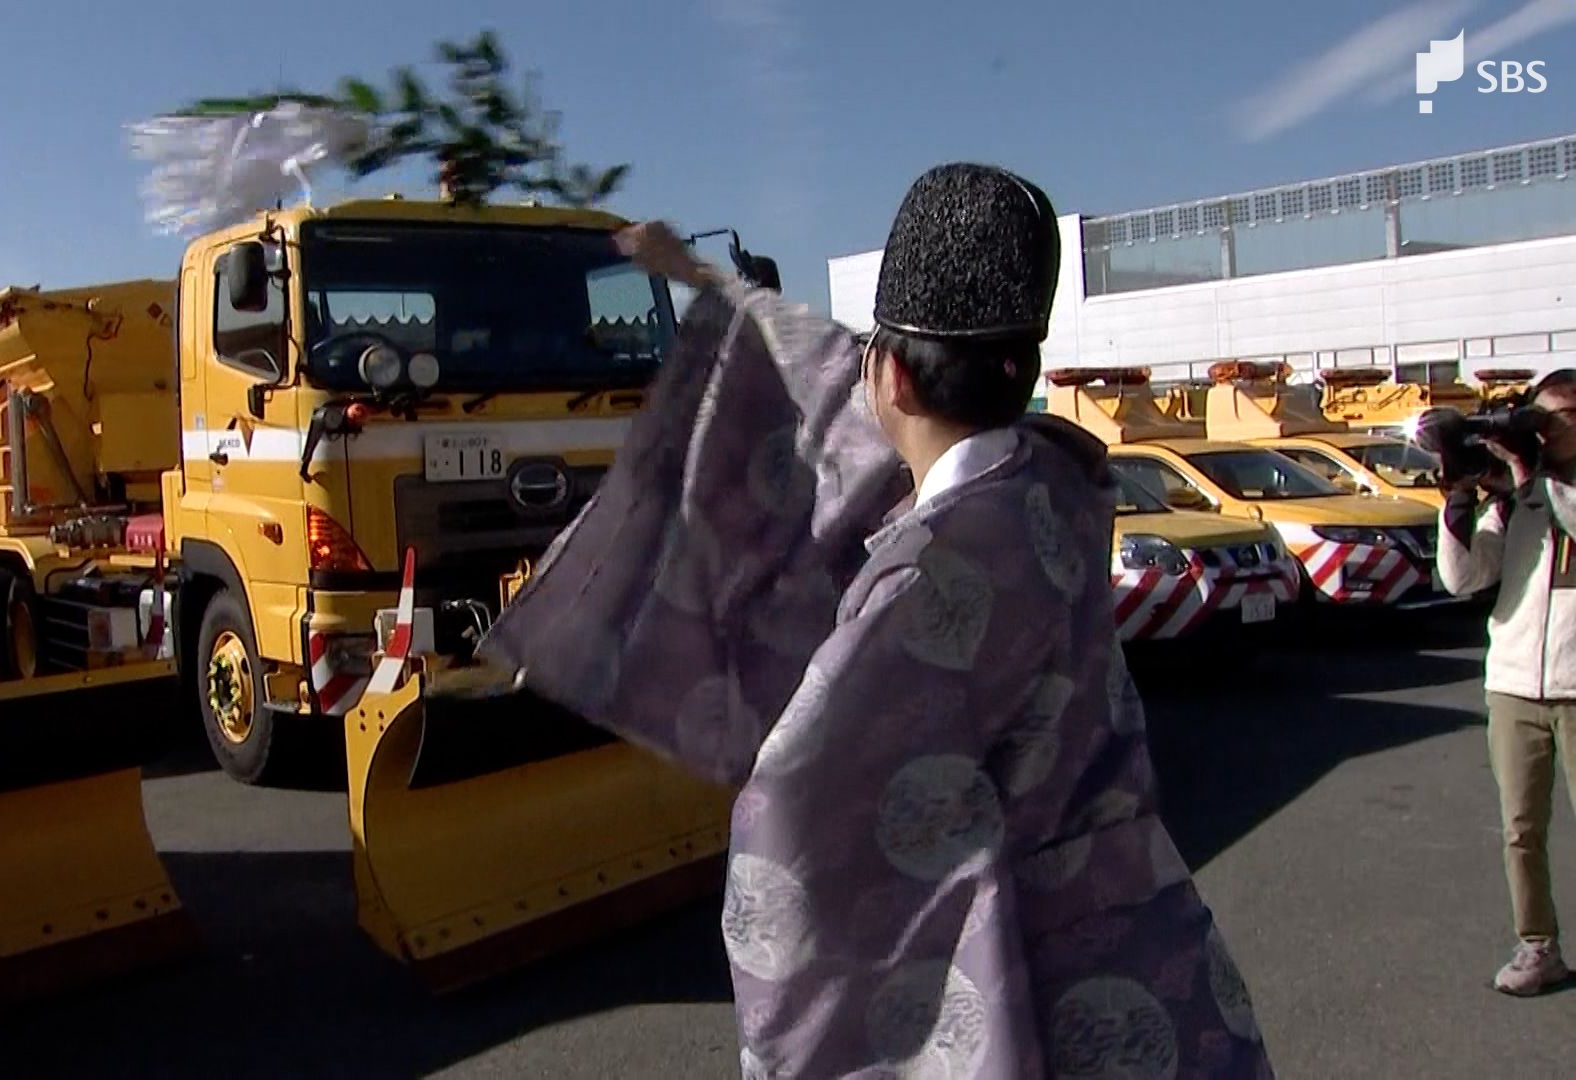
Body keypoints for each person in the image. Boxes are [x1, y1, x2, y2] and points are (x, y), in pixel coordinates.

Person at [479, 163, 1271, 1077]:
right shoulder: (1057, 484)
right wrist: (704, 280)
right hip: (1157, 970)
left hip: (1040, 1000)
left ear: (887, 376)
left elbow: (800, 816)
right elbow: (827, 361)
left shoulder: (922, 579)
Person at [1437, 368, 1576, 997]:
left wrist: (1531, 478)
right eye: (1538, 418)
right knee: (1520, 828)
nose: (1546, 431)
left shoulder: (1548, 491)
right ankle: (1537, 946)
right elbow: (1465, 579)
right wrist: (1459, 504)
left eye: (1561, 419)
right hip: (1515, 683)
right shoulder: (1519, 499)